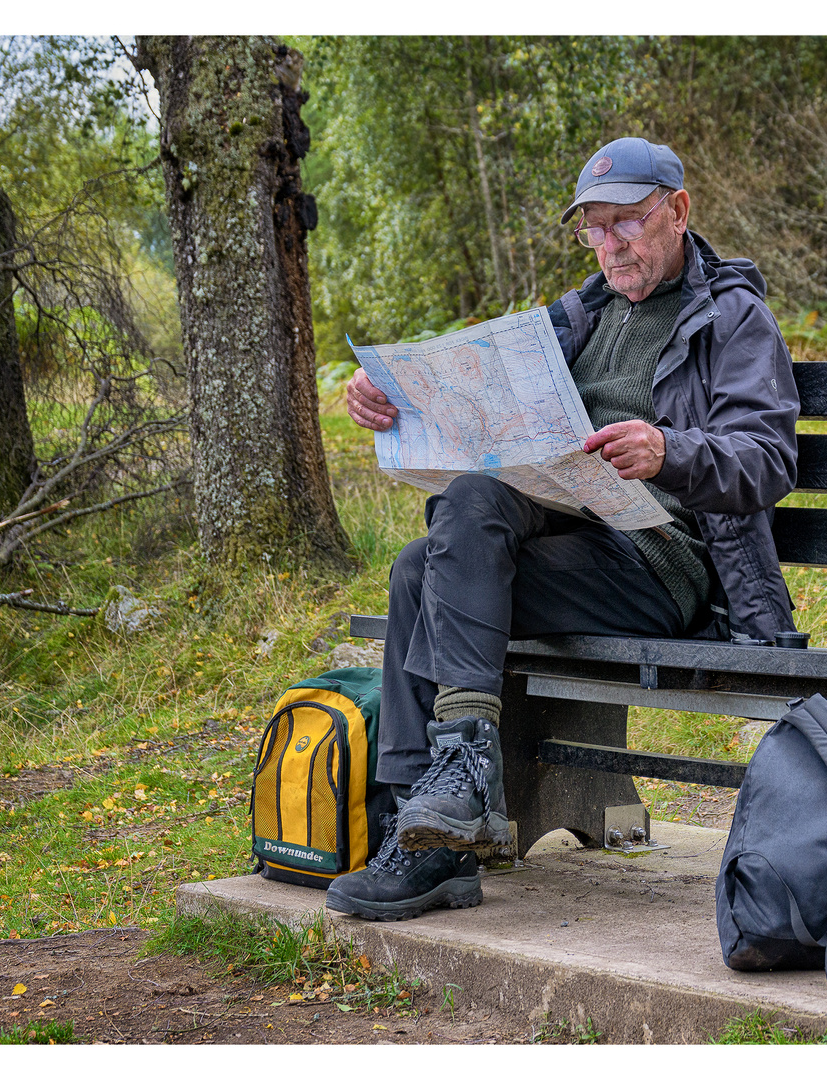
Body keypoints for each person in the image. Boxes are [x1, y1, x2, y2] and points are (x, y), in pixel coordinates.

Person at [328, 137, 801, 921]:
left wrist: (668, 449)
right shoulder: (583, 313)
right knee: (424, 559)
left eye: (626, 222)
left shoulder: (733, 319)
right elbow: (474, 381)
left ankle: (445, 821)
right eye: (593, 228)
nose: (609, 244)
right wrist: (387, 394)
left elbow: (767, 459)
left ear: (677, 211)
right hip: (569, 529)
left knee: (433, 564)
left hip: (660, 563)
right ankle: (429, 826)